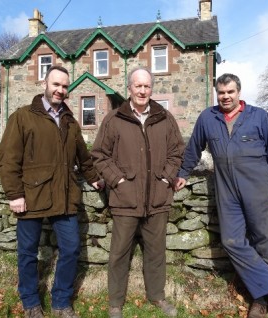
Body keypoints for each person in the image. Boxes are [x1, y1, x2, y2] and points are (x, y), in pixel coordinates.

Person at [173, 73, 268, 318]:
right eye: (221, 92)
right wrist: (183, 173)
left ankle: (262, 300)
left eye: (230, 92)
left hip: (258, 188)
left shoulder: (259, 116)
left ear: (238, 92)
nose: (225, 97)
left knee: (263, 241)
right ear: (216, 93)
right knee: (231, 242)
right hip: (226, 189)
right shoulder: (208, 118)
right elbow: (193, 148)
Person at [0, 65, 104, 318]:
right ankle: (31, 303)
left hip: (64, 195)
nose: (60, 90)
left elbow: (84, 158)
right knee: (27, 253)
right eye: (56, 84)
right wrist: (14, 195)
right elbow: (7, 159)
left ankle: (61, 303)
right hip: (30, 196)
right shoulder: (22, 117)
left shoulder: (70, 121)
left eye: (65, 86)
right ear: (45, 84)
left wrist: (95, 180)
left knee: (71, 248)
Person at [91, 66, 185, 318]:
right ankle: (115, 302)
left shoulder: (165, 118)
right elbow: (99, 155)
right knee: (119, 253)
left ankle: (157, 297)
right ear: (129, 88)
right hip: (125, 200)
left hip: (157, 199)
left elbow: (177, 151)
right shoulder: (114, 119)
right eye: (138, 85)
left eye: (146, 86)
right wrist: (118, 180)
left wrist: (166, 177)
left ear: (151, 89)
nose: (142, 90)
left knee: (156, 252)